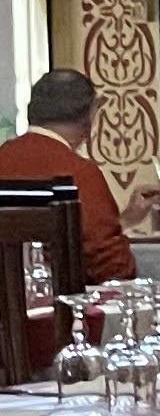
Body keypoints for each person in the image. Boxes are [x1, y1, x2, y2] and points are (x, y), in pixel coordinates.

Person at [0, 65, 140, 281]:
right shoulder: (77, 174)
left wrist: (124, 220)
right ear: (90, 116)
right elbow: (112, 268)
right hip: (57, 300)